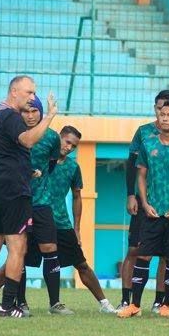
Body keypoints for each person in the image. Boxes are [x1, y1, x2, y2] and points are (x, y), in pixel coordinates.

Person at [0, 75, 57, 317]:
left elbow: (5, 152)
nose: (33, 97)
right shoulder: (11, 116)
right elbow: (27, 141)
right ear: (14, 91)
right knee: (18, 247)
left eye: (34, 93)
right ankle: (8, 306)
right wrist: (49, 117)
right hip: (13, 191)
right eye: (28, 92)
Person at [117, 101, 169, 319]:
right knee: (143, 255)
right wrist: (144, 203)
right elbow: (141, 175)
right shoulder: (147, 143)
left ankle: (166, 305)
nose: (164, 118)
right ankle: (134, 305)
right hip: (152, 210)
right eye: (162, 114)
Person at [49, 125, 116, 313]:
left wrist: (76, 228)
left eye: (74, 145)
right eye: (67, 142)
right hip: (37, 219)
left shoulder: (72, 167)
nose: (69, 147)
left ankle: (104, 304)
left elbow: (77, 196)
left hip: (61, 223)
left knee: (81, 264)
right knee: (17, 259)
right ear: (58, 138)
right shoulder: (41, 159)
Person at [18, 96, 74, 316]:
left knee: (51, 249)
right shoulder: (15, 134)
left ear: (41, 113)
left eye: (34, 112)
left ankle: (55, 303)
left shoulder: (51, 138)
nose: (30, 116)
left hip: (41, 202)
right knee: (18, 251)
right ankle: (20, 302)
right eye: (26, 112)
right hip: (18, 202)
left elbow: (50, 164)